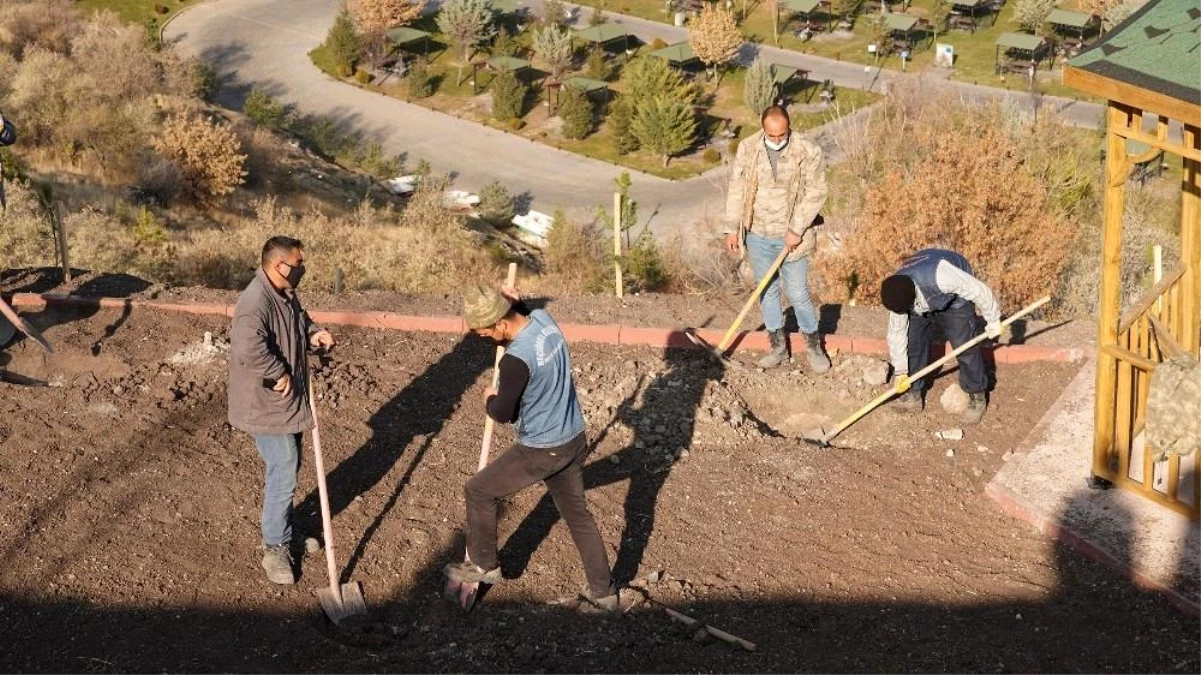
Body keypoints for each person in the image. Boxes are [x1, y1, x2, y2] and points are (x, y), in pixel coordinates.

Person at [443, 284, 616, 611]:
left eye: (485, 334)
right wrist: (516, 301)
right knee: (579, 517)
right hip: (574, 437)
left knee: (478, 491)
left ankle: (484, 565)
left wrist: (489, 399)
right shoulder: (544, 320)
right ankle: (605, 593)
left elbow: (503, 414)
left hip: (542, 449)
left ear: (501, 324)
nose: (485, 339)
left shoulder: (514, 361)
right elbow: (523, 312)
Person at [228, 236, 335, 584]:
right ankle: (275, 547)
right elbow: (248, 347)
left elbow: (298, 320)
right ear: (278, 265)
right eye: (298, 263)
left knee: (291, 465)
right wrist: (277, 372)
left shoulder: (284, 292)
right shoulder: (255, 302)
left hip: (286, 401)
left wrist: (313, 333)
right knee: (284, 466)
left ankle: (284, 528)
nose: (302, 268)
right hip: (264, 404)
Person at [724, 105, 831, 372]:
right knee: (767, 291)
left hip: (793, 238)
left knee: (797, 292)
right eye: (771, 136)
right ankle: (778, 347)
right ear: (763, 129)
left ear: (788, 128)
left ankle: (813, 346)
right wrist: (731, 228)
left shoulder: (807, 149)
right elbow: (737, 188)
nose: (777, 140)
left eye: (781, 134)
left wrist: (796, 228)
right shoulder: (748, 148)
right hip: (758, 235)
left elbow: (817, 191)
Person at [879, 249, 1002, 425]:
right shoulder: (897, 293)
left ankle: (977, 395)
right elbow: (897, 334)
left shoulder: (942, 277)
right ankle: (913, 393)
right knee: (912, 343)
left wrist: (993, 320)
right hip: (918, 299)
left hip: (955, 300)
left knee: (964, 344)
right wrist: (900, 372)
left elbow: (979, 290)